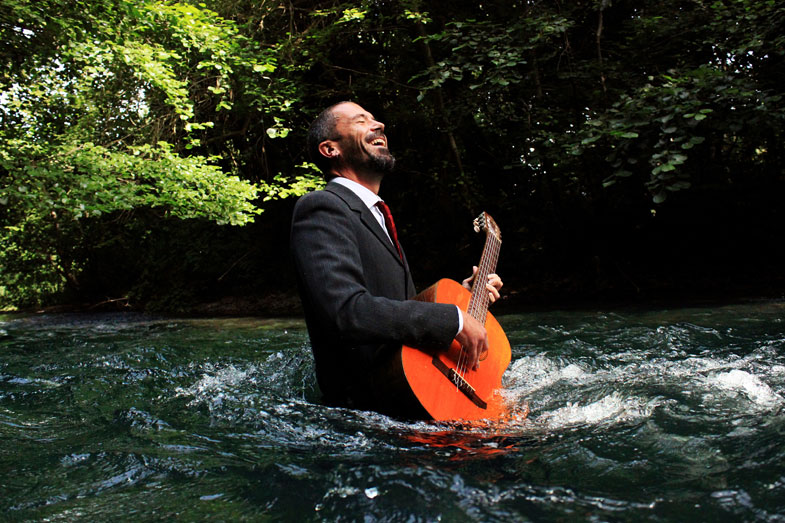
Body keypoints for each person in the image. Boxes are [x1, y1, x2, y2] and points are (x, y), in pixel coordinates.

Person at [290, 101, 502, 414]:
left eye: (375, 119)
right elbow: (345, 312)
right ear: (330, 149)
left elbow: (398, 308)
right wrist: (453, 320)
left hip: (410, 394)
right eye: (361, 120)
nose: (379, 125)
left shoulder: (375, 215)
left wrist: (466, 299)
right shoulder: (322, 206)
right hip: (366, 412)